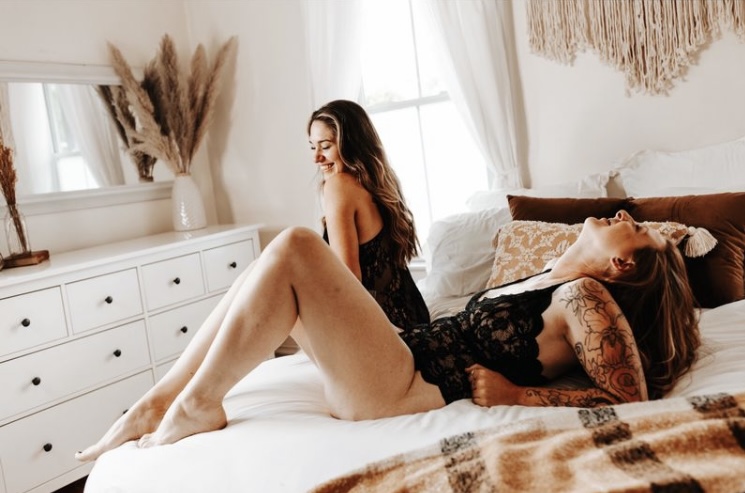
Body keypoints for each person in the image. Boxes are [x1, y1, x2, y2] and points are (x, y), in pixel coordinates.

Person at [76, 210, 700, 461]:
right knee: (268, 265)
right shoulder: (549, 277)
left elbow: (632, 397)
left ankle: (198, 402)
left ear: (623, 264)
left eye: (638, 228)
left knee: (296, 246)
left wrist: (518, 397)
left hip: (403, 388)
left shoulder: (587, 297)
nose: (625, 215)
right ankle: (161, 400)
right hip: (404, 353)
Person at [304, 99, 429, 333]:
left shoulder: (339, 185)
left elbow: (349, 280)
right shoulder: (378, 184)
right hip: (413, 315)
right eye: (313, 147)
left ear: (351, 145)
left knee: (279, 272)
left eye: (325, 146)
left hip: (386, 326)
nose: (316, 158)